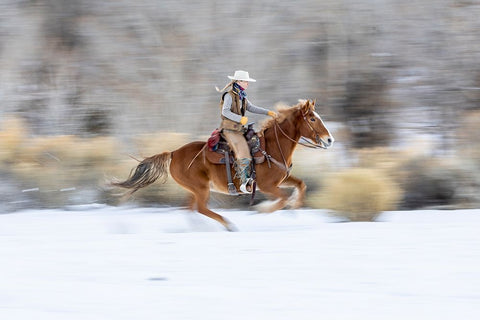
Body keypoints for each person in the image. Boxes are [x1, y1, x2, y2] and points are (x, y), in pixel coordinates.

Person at [216, 70, 277, 193]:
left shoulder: (242, 95)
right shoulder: (229, 95)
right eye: (246, 81)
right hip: (230, 129)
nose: (248, 83)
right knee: (244, 153)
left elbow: (251, 107)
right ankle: (244, 183)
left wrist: (268, 112)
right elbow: (225, 111)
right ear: (239, 81)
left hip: (239, 129)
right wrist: (240, 118)